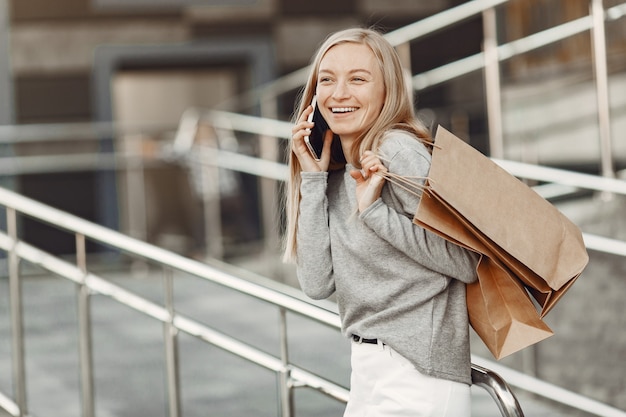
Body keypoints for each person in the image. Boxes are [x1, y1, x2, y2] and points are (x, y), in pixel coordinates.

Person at [283, 27, 479, 417]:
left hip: (419, 374)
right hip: (368, 369)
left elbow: (465, 262)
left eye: (358, 79)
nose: (339, 93)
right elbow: (317, 284)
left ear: (386, 90)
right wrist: (313, 180)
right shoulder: (337, 173)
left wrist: (376, 213)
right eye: (327, 79)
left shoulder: (397, 151)